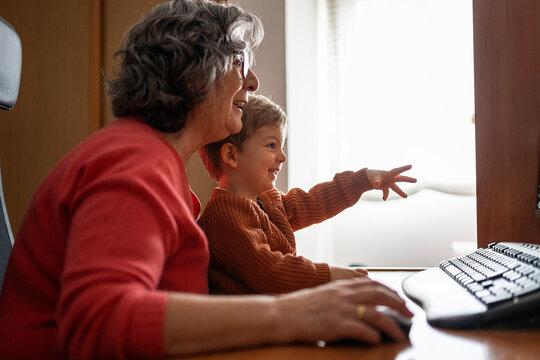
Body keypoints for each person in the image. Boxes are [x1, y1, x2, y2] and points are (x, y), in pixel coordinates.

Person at [0, 1, 413, 359]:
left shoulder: (157, 166)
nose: (252, 82)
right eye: (240, 64)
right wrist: (295, 314)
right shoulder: (132, 163)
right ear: (196, 75)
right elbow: (100, 321)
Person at [199, 94, 417, 295]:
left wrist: (364, 180)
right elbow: (270, 271)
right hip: (249, 325)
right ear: (231, 155)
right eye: (271, 145)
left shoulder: (267, 201)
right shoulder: (225, 213)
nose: (282, 157)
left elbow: (315, 202)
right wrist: (328, 275)